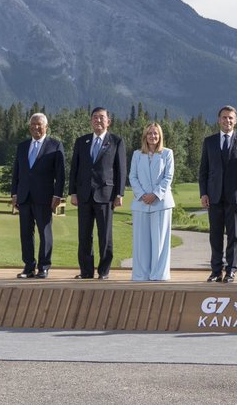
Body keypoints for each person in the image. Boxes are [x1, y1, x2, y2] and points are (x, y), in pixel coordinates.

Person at [69, 107, 127, 280]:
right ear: (90, 121)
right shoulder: (81, 141)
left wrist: (120, 194)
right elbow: (74, 169)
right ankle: (86, 271)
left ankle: (104, 271)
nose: (98, 120)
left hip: (106, 195)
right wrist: (72, 192)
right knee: (84, 235)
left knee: (105, 235)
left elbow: (121, 170)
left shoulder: (116, 141)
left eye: (102, 117)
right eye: (95, 117)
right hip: (84, 195)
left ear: (108, 121)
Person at [199, 105, 237, 284]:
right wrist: (203, 193)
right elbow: (203, 171)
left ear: (235, 120)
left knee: (234, 236)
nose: (227, 120)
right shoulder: (209, 142)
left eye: (230, 118)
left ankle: (231, 271)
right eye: (224, 117)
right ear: (219, 120)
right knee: (215, 235)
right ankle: (216, 271)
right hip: (213, 196)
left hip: (235, 197)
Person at [11, 112, 65, 279]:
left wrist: (57, 195)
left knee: (45, 232)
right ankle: (28, 267)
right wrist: (14, 193)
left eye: (39, 124)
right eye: (33, 124)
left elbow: (61, 174)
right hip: (24, 197)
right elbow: (16, 172)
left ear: (46, 127)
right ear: (29, 127)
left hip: (45, 197)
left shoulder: (55, 146)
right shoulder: (22, 146)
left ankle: (44, 267)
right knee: (26, 233)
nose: (35, 127)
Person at [129, 121, 175, 281]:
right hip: (141, 203)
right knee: (141, 242)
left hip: (161, 203)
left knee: (160, 241)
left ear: (160, 136)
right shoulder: (136, 154)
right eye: (149, 133)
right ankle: (140, 274)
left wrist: (155, 194)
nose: (152, 136)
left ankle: (159, 274)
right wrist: (142, 194)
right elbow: (132, 177)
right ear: (145, 136)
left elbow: (168, 177)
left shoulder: (167, 153)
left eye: (155, 133)